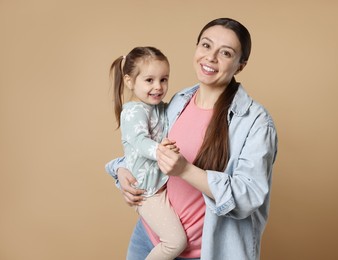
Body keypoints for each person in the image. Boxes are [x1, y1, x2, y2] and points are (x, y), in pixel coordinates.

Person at [106, 18, 278, 260]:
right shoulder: (178, 101)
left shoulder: (255, 123)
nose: (211, 57)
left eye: (226, 53)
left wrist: (185, 170)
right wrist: (122, 171)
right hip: (149, 239)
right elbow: (147, 148)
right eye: (206, 46)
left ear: (241, 65)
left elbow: (248, 195)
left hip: (205, 253)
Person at [107, 46, 187, 260]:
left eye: (164, 79)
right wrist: (160, 150)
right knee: (175, 241)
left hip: (160, 185)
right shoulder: (133, 111)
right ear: (129, 81)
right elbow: (140, 141)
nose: (158, 87)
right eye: (149, 80)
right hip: (147, 193)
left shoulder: (158, 107)